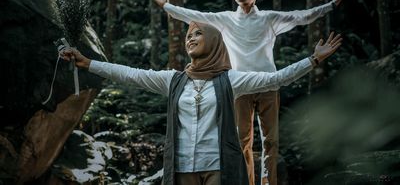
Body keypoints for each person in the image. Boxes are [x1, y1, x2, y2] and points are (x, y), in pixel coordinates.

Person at [61, 22, 341, 185]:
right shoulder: (173, 80)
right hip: (181, 168)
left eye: (197, 34)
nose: (190, 39)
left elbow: (276, 79)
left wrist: (313, 59)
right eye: (187, 36)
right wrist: (89, 64)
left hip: (218, 166)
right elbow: (130, 75)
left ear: (215, 42)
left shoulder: (231, 79)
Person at [151, 0, 346, 185]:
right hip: (239, 86)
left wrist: (331, 5)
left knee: (270, 141)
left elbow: (301, 16)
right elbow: (194, 16)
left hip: (269, 84)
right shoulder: (226, 19)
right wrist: (166, 5)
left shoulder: (268, 18)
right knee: (241, 141)